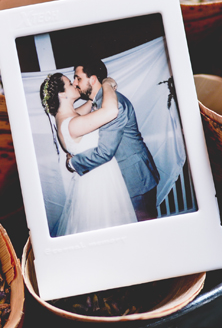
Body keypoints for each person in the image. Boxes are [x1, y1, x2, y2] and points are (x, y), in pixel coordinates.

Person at [39, 70, 137, 236]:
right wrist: (106, 83)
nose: (75, 84)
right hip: (99, 183)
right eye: (70, 83)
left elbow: (91, 104)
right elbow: (111, 111)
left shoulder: (67, 116)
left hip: (94, 176)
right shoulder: (72, 124)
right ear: (62, 95)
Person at [65, 57, 160, 222]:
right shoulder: (99, 102)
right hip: (127, 178)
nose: (74, 83)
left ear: (93, 79)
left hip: (136, 181)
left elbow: (104, 152)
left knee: (144, 232)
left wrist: (72, 164)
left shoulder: (113, 105)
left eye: (78, 78)